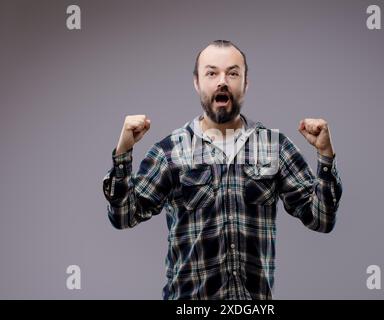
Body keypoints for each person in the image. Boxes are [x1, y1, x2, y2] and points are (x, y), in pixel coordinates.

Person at [102, 40, 343, 300]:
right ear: (197, 83)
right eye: (211, 72)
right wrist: (123, 153)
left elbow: (321, 220)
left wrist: (325, 157)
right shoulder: (170, 151)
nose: (222, 81)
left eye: (233, 73)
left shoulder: (275, 146)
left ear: (245, 83)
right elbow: (124, 217)